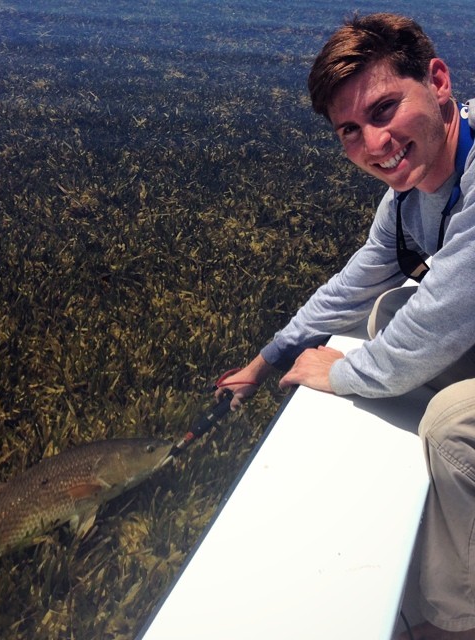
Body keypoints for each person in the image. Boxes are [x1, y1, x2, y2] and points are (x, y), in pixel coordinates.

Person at [216, 13, 475, 640]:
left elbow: (408, 350)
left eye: (385, 109)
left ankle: (454, 618)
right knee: (384, 312)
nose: (374, 143)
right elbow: (355, 284)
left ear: (437, 81)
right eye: (350, 130)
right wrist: (267, 359)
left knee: (450, 430)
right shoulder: (412, 192)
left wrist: (345, 371)